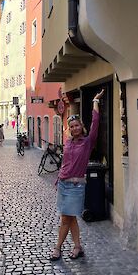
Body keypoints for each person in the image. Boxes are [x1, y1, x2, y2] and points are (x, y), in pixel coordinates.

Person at [50, 89, 104, 261]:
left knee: (66, 218)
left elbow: (96, 124)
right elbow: (65, 164)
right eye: (72, 126)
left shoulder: (87, 142)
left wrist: (95, 102)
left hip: (76, 185)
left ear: (82, 127)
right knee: (70, 217)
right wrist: (59, 178)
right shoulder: (68, 143)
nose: (74, 128)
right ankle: (78, 247)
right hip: (63, 184)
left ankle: (57, 248)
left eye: (77, 125)